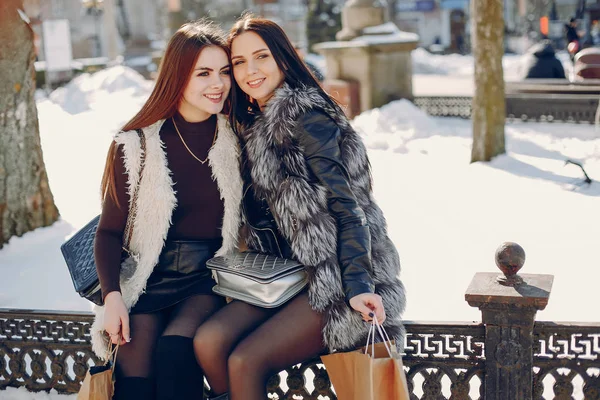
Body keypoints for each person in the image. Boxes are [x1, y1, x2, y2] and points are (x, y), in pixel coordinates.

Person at [193, 14, 406, 400]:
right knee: (209, 341)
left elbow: (349, 208)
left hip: (333, 280)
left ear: (283, 60)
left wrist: (359, 285)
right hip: (283, 276)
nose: (250, 71)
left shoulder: (304, 118)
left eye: (261, 57)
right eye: (239, 62)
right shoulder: (251, 125)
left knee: (244, 361)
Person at [90, 20, 243, 400]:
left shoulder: (238, 137)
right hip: (148, 277)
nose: (218, 83)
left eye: (224, 72)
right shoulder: (135, 146)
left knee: (175, 354)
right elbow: (108, 231)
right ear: (177, 76)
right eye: (203, 73)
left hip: (208, 278)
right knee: (135, 382)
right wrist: (112, 298)